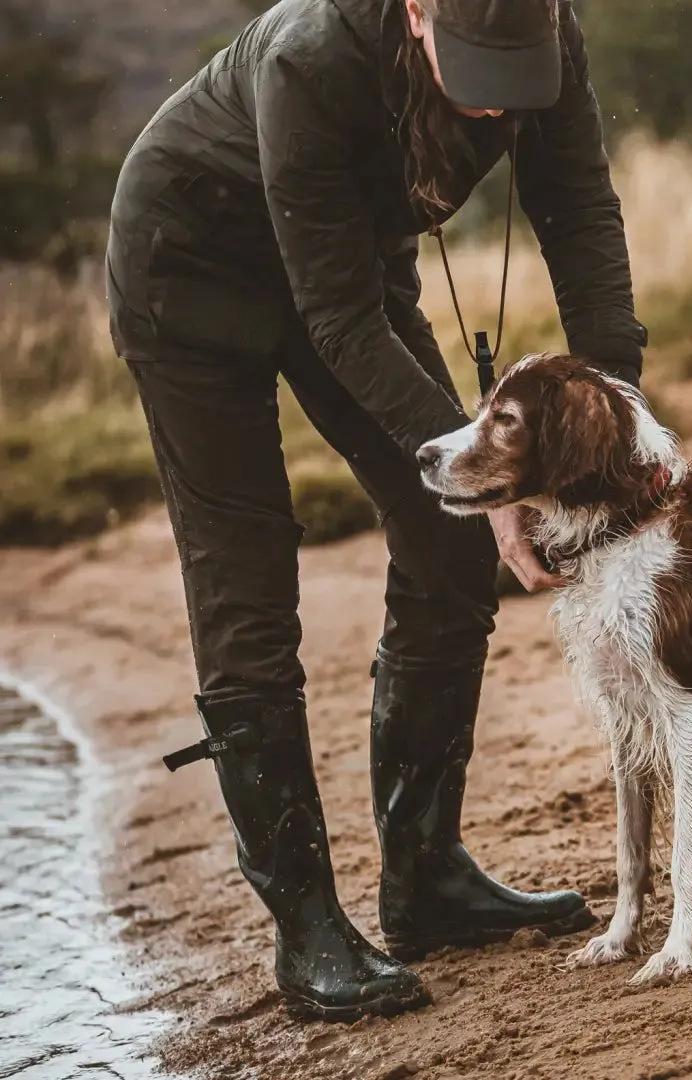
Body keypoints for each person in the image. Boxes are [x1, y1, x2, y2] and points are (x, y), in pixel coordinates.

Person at [104, 0, 648, 1022]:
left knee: (449, 552)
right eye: (476, 66)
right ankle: (307, 928)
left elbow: (576, 213)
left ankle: (426, 881)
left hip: (349, 268)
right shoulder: (311, 60)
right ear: (415, 8)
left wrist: (616, 415)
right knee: (248, 582)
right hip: (193, 278)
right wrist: (486, 475)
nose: (495, 101)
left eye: (516, 71)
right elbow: (339, 318)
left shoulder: (550, 33)